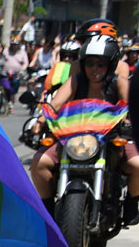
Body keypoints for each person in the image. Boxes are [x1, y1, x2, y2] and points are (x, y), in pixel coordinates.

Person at [34, 31, 137, 223]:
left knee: (137, 165)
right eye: (89, 63)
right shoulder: (75, 81)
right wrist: (40, 121)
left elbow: (133, 105)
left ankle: (131, 203)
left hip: (112, 138)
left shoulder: (119, 83)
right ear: (82, 64)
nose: (94, 69)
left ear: (111, 65)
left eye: (101, 64)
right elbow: (55, 104)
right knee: (40, 163)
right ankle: (47, 213)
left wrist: (130, 122)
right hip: (74, 138)